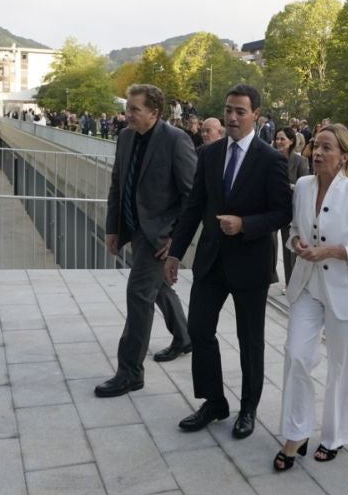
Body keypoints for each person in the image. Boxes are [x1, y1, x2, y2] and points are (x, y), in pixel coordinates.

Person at [166, 84, 292, 439]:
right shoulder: (209, 154)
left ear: (256, 116)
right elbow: (193, 206)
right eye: (228, 110)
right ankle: (214, 401)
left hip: (250, 262)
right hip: (211, 260)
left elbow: (283, 212)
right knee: (200, 330)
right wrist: (176, 251)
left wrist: (246, 225)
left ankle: (248, 408)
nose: (232, 117)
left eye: (240, 111)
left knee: (250, 339)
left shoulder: (271, 160)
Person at [274, 124, 348, 471]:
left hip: (347, 292)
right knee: (297, 355)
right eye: (315, 147)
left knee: (342, 367)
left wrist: (334, 251)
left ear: (345, 156)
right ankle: (296, 433)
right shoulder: (303, 187)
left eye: (326, 148)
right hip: (307, 286)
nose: (317, 154)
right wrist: (296, 244)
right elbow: (293, 231)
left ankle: (335, 435)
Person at [96, 85, 197, 398]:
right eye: (128, 108)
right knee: (158, 289)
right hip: (133, 227)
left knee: (139, 294)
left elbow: (192, 196)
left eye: (134, 110)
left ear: (154, 113)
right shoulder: (125, 137)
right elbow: (117, 183)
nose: (127, 114)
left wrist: (176, 239)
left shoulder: (176, 140)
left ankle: (130, 372)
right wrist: (113, 228)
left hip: (160, 236)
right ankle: (184, 338)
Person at [272, 127, 310, 285]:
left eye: (282, 139)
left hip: (291, 209)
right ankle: (270, 276)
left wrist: (291, 186)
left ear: (291, 140)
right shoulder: (269, 158)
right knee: (270, 245)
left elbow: (305, 186)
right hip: (271, 208)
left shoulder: (300, 161)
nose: (279, 142)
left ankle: (291, 283)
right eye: (277, 139)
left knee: (290, 247)